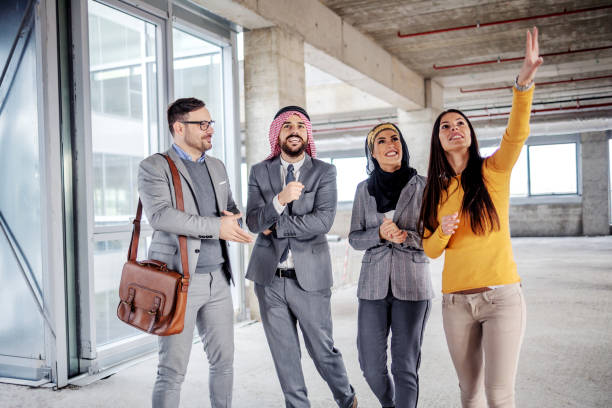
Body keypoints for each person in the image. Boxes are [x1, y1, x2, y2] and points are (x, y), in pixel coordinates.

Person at [418, 28, 543, 408]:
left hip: (502, 297)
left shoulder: (494, 171)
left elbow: (516, 133)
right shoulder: (434, 191)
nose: (454, 129)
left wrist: (522, 83)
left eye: (460, 124)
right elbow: (429, 249)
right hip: (455, 303)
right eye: (446, 126)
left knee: (499, 394)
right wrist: (442, 231)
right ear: (438, 141)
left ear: (469, 134)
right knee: (468, 393)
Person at [138, 97, 252, 408]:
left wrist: (233, 217)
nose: (210, 130)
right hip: (178, 281)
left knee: (224, 363)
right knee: (171, 371)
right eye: (202, 124)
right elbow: (161, 215)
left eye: (210, 123)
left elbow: (229, 207)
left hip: (218, 278)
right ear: (178, 127)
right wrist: (217, 227)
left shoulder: (217, 166)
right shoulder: (154, 166)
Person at [245, 105, 358, 408]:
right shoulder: (259, 171)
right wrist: (280, 199)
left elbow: (323, 222)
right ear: (277, 134)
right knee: (285, 358)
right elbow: (254, 222)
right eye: (287, 126)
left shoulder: (325, 171)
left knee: (322, 350)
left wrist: (276, 224)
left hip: (311, 279)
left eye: (300, 125)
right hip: (269, 280)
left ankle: (347, 399)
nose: (294, 130)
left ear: (307, 133)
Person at [348, 123, 434, 408]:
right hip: (372, 285)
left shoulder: (425, 186)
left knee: (404, 364)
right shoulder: (363, 190)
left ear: (402, 145)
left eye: (394, 138)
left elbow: (436, 239)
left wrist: (405, 236)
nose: (389, 144)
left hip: (412, 283)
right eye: (381, 141)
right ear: (373, 152)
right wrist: (379, 234)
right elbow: (355, 239)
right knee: (370, 365)